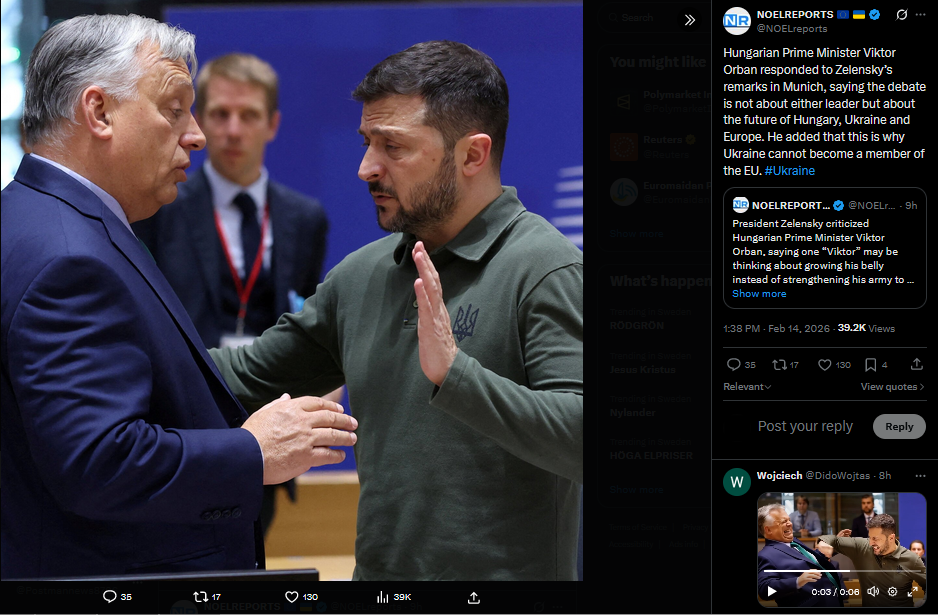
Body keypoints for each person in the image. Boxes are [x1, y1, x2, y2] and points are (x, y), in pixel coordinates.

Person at [1, 14, 357, 579]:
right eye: (174, 109)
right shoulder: (71, 258)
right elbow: (99, 462)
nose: (196, 134)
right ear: (99, 112)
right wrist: (253, 451)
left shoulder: (35, 218)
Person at [210, 40, 583, 580]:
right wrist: (123, 352)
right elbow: (240, 378)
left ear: (472, 155)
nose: (366, 168)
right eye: (367, 143)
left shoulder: (546, 269)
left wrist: (456, 376)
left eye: (393, 147)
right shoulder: (361, 275)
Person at [132, 53, 338, 536]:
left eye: (248, 115)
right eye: (220, 114)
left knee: (251, 552)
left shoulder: (304, 217)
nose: (232, 130)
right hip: (183, 419)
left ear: (272, 124)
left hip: (267, 414)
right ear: (201, 121)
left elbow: (306, 314)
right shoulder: (162, 206)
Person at [819, 515, 927, 607]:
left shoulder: (911, 559)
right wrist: (832, 543)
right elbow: (825, 541)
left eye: (875, 538)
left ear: (891, 538)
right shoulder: (862, 547)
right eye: (869, 537)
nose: (871, 543)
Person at [757, 504, 845, 607]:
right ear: (768, 530)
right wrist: (797, 581)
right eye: (783, 522)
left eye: (789, 520)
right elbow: (765, 590)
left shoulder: (795, 542)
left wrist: (833, 547)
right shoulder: (766, 555)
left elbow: (810, 560)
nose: (790, 524)